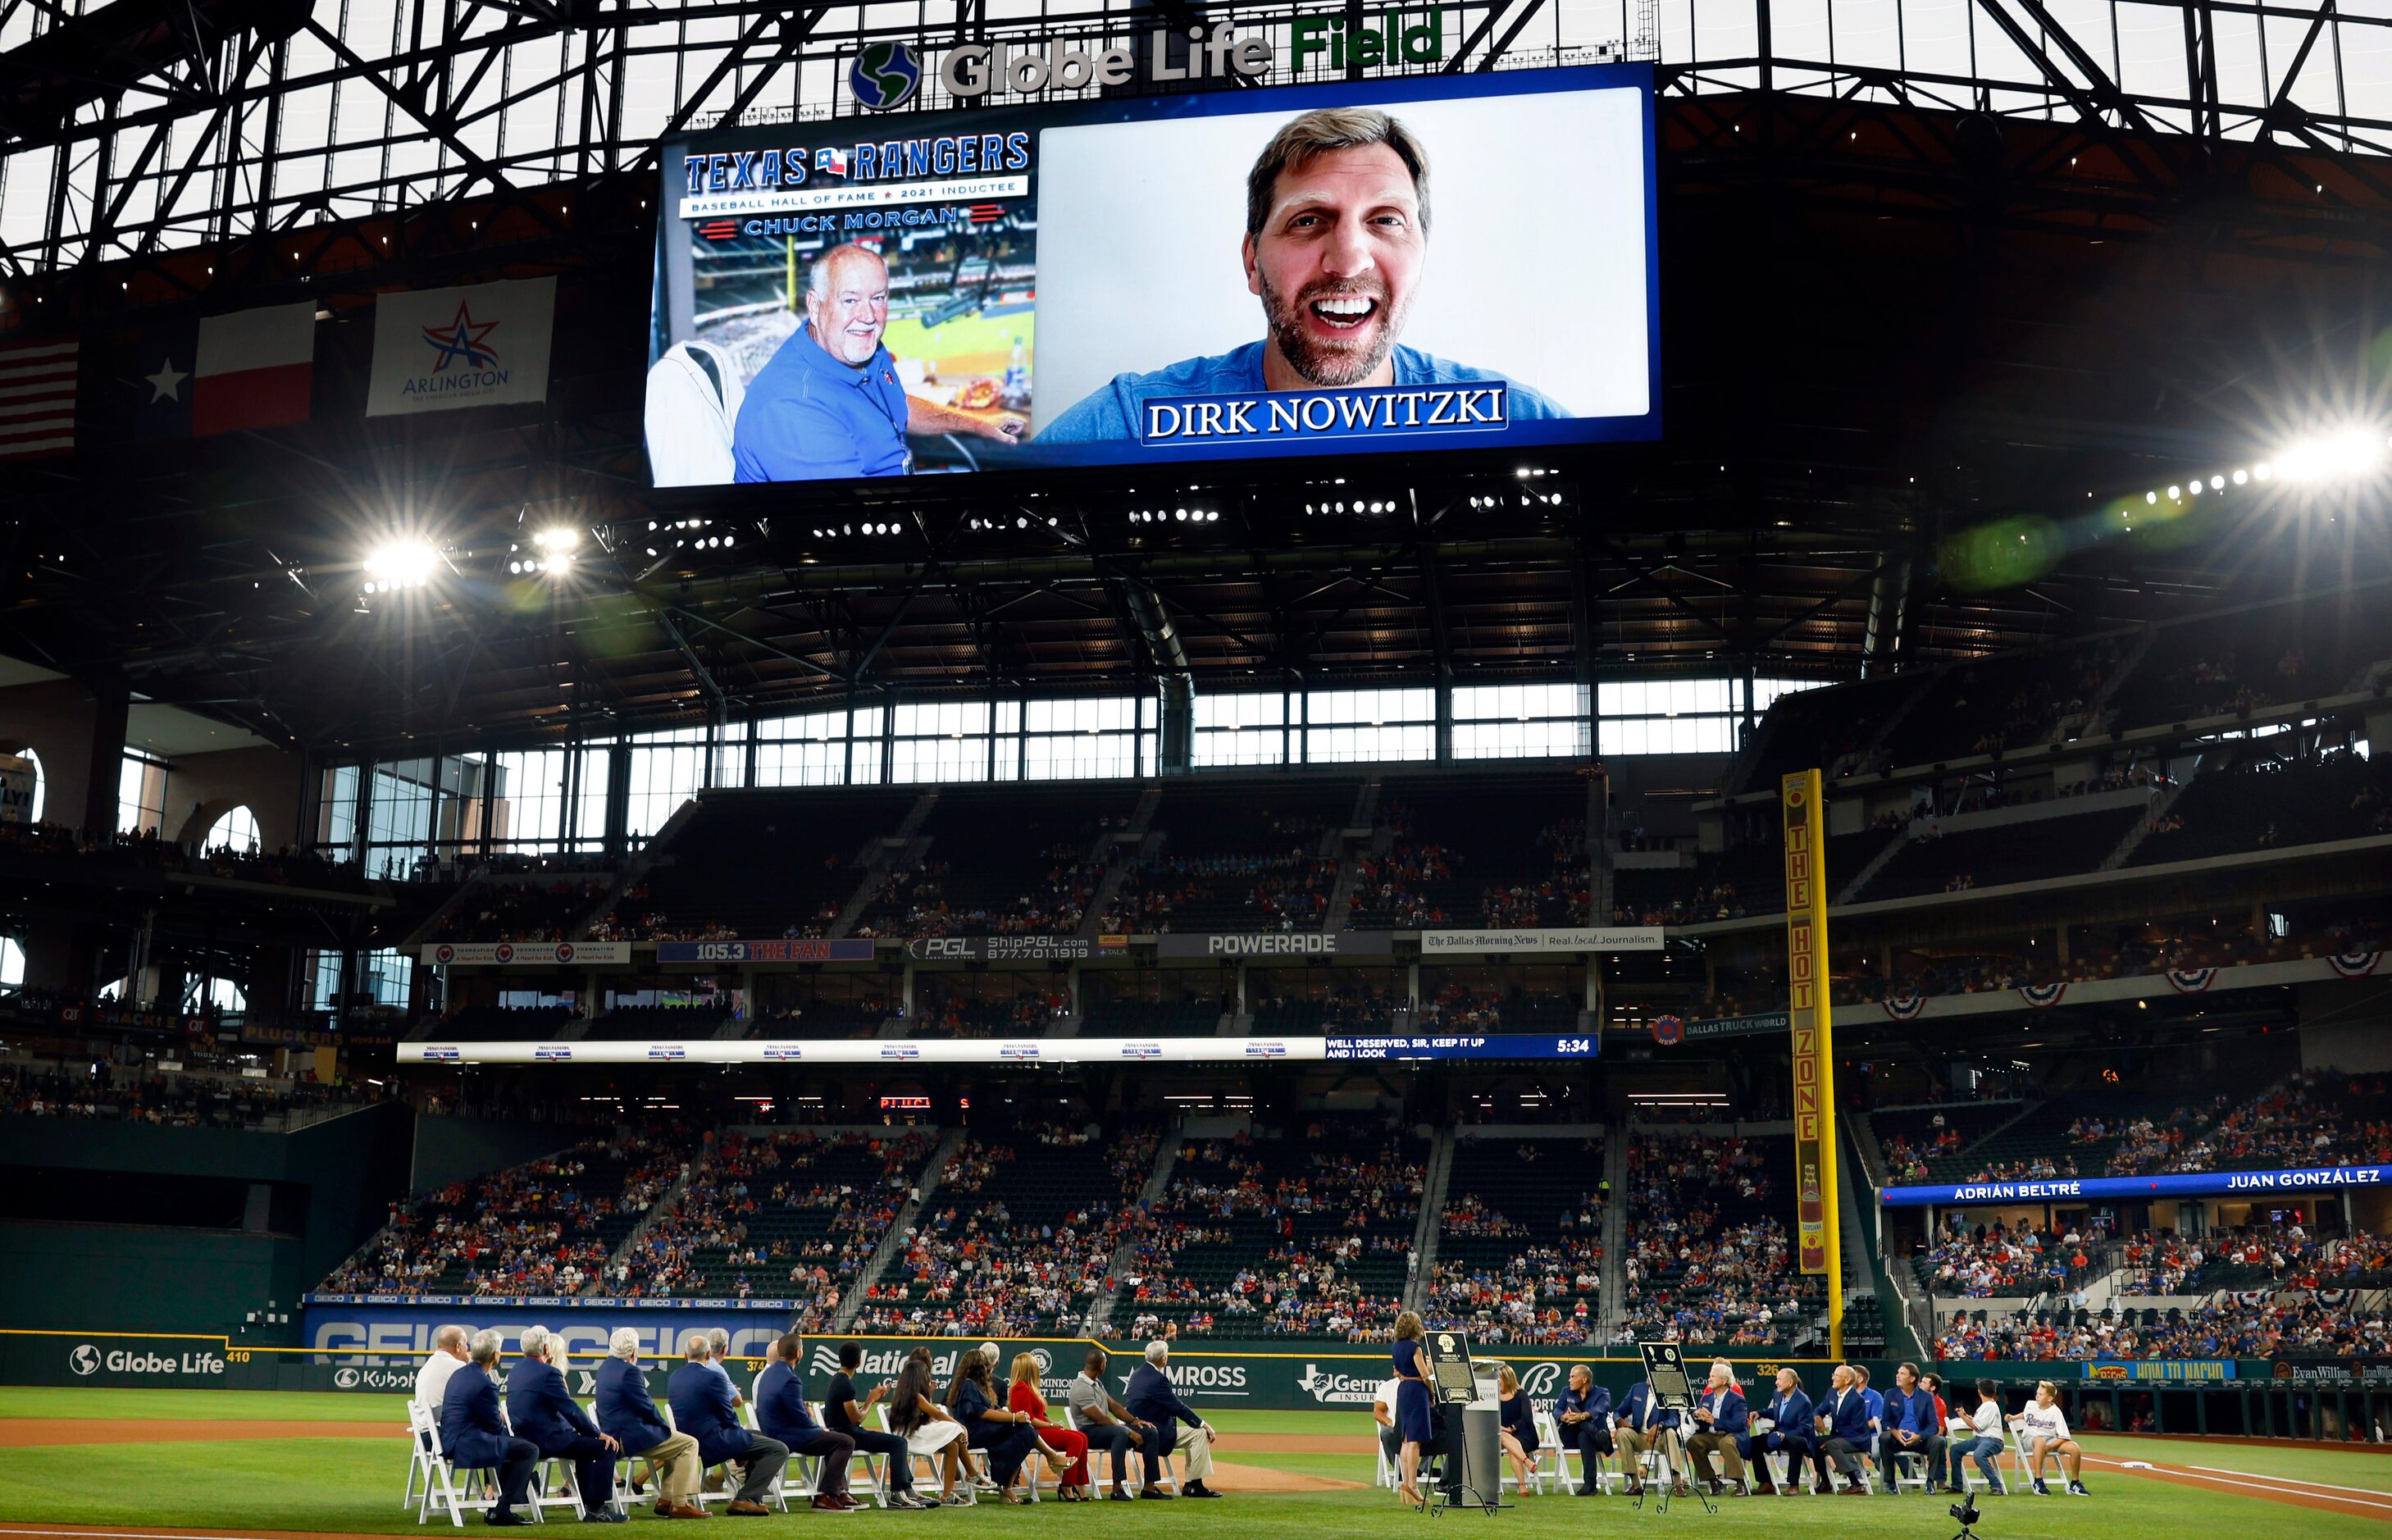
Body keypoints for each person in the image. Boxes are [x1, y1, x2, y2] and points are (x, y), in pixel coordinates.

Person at [1036, 107, 1565, 444]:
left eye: (1385, 221)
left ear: (1421, 258)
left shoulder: (1524, 424)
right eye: (1308, 221)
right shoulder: (1129, 426)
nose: (1348, 261)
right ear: (1251, 262)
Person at [731, 244, 1025, 481]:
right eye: (850, 300)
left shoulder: (858, 347)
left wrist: (977, 424)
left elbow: (895, 404)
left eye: (878, 298)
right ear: (814, 305)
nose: (869, 316)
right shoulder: (795, 408)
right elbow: (851, 533)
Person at [507, 1327, 622, 1522]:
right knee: (605, 1447)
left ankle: (592, 1507)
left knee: (585, 1450)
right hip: (550, 1441)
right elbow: (571, 1410)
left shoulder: (515, 1371)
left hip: (524, 1440)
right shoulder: (550, 1373)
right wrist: (597, 1433)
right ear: (546, 1348)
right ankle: (597, 1508)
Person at [667, 1331, 784, 1515]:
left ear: (685, 1355)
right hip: (713, 1441)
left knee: (758, 1438)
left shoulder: (675, 1377)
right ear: (707, 1355)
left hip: (688, 1439)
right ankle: (745, 1498)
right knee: (779, 1449)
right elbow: (728, 1415)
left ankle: (750, 1497)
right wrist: (739, 1441)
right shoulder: (714, 1377)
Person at [593, 1327, 704, 1518]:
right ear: (634, 1351)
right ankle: (680, 1503)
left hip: (614, 1434)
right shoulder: (629, 1372)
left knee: (676, 1446)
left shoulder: (604, 1368)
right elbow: (646, 1406)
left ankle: (666, 1500)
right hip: (629, 1438)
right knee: (690, 1443)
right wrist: (664, 1426)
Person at [440, 1329, 539, 1525]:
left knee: (511, 1443)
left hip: (451, 1440)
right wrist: (500, 1419)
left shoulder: (459, 1374)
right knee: (530, 1449)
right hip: (467, 1445)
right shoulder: (485, 1384)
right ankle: (503, 1508)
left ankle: (497, 1499)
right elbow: (494, 1425)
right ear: (495, 1355)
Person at [752, 1332, 858, 1511]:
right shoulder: (791, 1379)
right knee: (846, 1441)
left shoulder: (766, 1375)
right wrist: (819, 1429)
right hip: (788, 1437)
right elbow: (801, 1420)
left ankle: (838, 1492)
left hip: (772, 1433)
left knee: (834, 1439)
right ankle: (828, 1495)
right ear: (799, 1353)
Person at [825, 1341, 930, 1508]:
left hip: (843, 1431)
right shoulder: (845, 1384)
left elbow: (848, 1414)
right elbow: (857, 1419)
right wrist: (871, 1401)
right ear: (859, 1362)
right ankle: (898, 1493)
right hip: (848, 1434)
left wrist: (870, 1400)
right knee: (899, 1443)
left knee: (897, 1443)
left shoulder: (837, 1381)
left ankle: (907, 1490)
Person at [1124, 1339, 1223, 1498]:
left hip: (1136, 1431)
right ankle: (1194, 1485)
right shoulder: (1158, 1379)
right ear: (1163, 1358)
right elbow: (1178, 1407)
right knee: (1199, 1433)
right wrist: (1205, 1425)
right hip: (1155, 1434)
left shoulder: (1136, 1374)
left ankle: (1193, 1485)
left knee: (1196, 1433)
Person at [945, 1349, 1044, 1503]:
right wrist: (1013, 1418)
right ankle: (1007, 1487)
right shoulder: (969, 1385)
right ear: (979, 1368)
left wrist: (1014, 1418)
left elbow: (993, 1410)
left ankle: (1006, 1487)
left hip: (980, 1431)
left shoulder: (971, 1385)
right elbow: (983, 1413)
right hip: (972, 1434)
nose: (988, 1369)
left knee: (1023, 1429)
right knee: (1022, 1430)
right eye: (985, 1366)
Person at [1068, 1348, 1163, 1500]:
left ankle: (1149, 1488)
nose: (1106, 1365)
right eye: (1105, 1362)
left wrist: (1134, 1421)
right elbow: (1099, 1418)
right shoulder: (1081, 1387)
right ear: (1101, 1366)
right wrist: (1128, 1430)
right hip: (1089, 1432)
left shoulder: (1096, 1383)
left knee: (1150, 1432)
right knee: (1121, 1432)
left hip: (1105, 1429)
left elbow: (1113, 1406)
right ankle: (1117, 1488)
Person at [886, 1351, 968, 1502]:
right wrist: (960, 1426)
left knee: (953, 1447)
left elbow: (928, 1418)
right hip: (910, 1439)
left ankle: (947, 1494)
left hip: (911, 1436)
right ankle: (971, 1473)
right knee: (954, 1429)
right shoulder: (916, 1396)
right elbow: (936, 1415)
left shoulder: (905, 1394)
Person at [1009, 1353, 1094, 1500]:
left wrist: (1053, 1425)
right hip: (1033, 1432)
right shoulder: (1020, 1388)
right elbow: (1029, 1419)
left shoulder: (1029, 1387)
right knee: (1076, 1440)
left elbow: (1040, 1415)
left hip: (1041, 1429)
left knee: (1082, 1437)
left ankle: (1079, 1484)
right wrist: (1051, 1425)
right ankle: (1067, 1485)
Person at [1878, 1362, 1947, 1495]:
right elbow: (1886, 1420)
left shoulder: (1926, 1397)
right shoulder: (1890, 1394)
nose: (1897, 1376)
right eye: (1898, 1373)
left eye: (1902, 1373)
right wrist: (1895, 1432)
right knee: (1884, 1438)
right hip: (1898, 1440)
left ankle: (1930, 1483)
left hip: (1920, 1440)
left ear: (1912, 1379)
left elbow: (1933, 1425)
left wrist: (1920, 1436)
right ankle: (1890, 1483)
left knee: (1938, 1441)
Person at [1743, 1367, 1813, 1496]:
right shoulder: (1777, 1394)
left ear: (1790, 1383)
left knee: (1795, 1443)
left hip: (1798, 1437)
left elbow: (1805, 1428)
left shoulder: (1803, 1401)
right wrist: (1760, 1412)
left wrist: (1785, 1435)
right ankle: (1766, 1483)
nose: (1776, 1382)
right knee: (1755, 1442)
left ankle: (1793, 1485)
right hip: (1778, 1436)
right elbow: (1777, 1413)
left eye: (1779, 1379)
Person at [1387, 1311, 1433, 1508]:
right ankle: (1413, 1485)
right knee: (1414, 1441)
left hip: (1403, 1389)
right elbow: (1424, 1373)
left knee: (1406, 1440)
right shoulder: (1416, 1347)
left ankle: (1407, 1483)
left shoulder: (1396, 1346)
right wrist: (1432, 1392)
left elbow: (1397, 1370)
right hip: (1416, 1390)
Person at [2010, 1381, 2088, 1496]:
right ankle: (2038, 1481)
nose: (2037, 1396)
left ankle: (2075, 1483)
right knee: (2040, 1440)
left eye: (2041, 1394)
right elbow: (2025, 1414)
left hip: (2049, 1441)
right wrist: (2013, 1417)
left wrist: (2049, 1447)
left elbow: (2064, 1437)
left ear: (2049, 1398)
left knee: (2074, 1448)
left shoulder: (2056, 1412)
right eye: (2037, 1393)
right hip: (2029, 1440)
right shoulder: (2031, 1405)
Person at [1684, 1360, 1749, 1496]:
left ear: (1724, 1380)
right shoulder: (1707, 1398)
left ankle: (1740, 1483)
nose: (1709, 1379)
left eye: (1713, 1376)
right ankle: (1712, 1480)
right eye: (1710, 1376)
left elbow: (1739, 1425)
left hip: (1730, 1434)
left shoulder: (1737, 1399)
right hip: (1711, 1435)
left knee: (1726, 1443)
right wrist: (1697, 1414)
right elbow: (1697, 1417)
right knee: (1693, 1442)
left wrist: (1714, 1421)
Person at [1614, 1376, 1684, 1497]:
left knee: (1671, 1432)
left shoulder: (1670, 1391)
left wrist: (1660, 1425)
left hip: (1661, 1438)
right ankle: (1636, 1484)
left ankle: (1678, 1484)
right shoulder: (1637, 1389)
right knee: (1622, 1433)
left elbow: (1675, 1419)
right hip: (1640, 1436)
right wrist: (1619, 1420)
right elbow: (1619, 1411)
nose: (1648, 1377)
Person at [1810, 1364, 1873, 1496]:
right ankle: (1826, 1482)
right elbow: (1820, 1409)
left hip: (1856, 1439)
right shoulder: (1832, 1393)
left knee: (1832, 1444)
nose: (1833, 1378)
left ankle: (1856, 1484)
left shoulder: (1857, 1400)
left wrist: (1836, 1439)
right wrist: (1817, 1417)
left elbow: (1857, 1428)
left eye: (1837, 1376)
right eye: (1834, 1375)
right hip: (1839, 1437)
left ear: (1847, 1380)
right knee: (1812, 1442)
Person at [1552, 1363, 1614, 1496]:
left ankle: (1590, 1485)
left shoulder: (1602, 1393)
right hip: (1571, 1436)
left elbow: (1601, 1408)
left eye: (1573, 1377)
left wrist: (1581, 1417)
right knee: (1571, 1407)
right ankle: (1597, 1435)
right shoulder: (1566, 1391)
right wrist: (1563, 1417)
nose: (1569, 1380)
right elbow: (1556, 1410)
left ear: (1584, 1379)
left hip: (1590, 1441)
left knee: (1584, 1436)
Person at [1948, 1381, 2007, 1495]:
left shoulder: (1988, 1406)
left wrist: (1962, 1416)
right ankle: (1957, 1485)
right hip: (1980, 1439)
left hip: (1993, 1440)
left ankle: (1996, 1485)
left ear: (1979, 1391)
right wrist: (1965, 1415)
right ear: (1994, 1392)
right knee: (1955, 1449)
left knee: (1978, 1455)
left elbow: (1977, 1426)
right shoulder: (1987, 1405)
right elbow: (1977, 1422)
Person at [1494, 1364, 1542, 1497]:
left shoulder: (1521, 1394)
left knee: (1511, 1447)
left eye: (1499, 1379)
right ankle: (1527, 1463)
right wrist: (1504, 1429)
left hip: (1524, 1433)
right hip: (1504, 1434)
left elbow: (1527, 1417)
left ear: (1507, 1379)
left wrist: (1511, 1428)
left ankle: (1522, 1485)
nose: (1497, 1382)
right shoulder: (1494, 1396)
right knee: (1503, 1436)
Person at [412, 1324, 470, 1423]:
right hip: (443, 1432)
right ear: (458, 1346)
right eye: (466, 1344)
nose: (467, 1348)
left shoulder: (426, 1366)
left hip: (423, 1430)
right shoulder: (458, 1366)